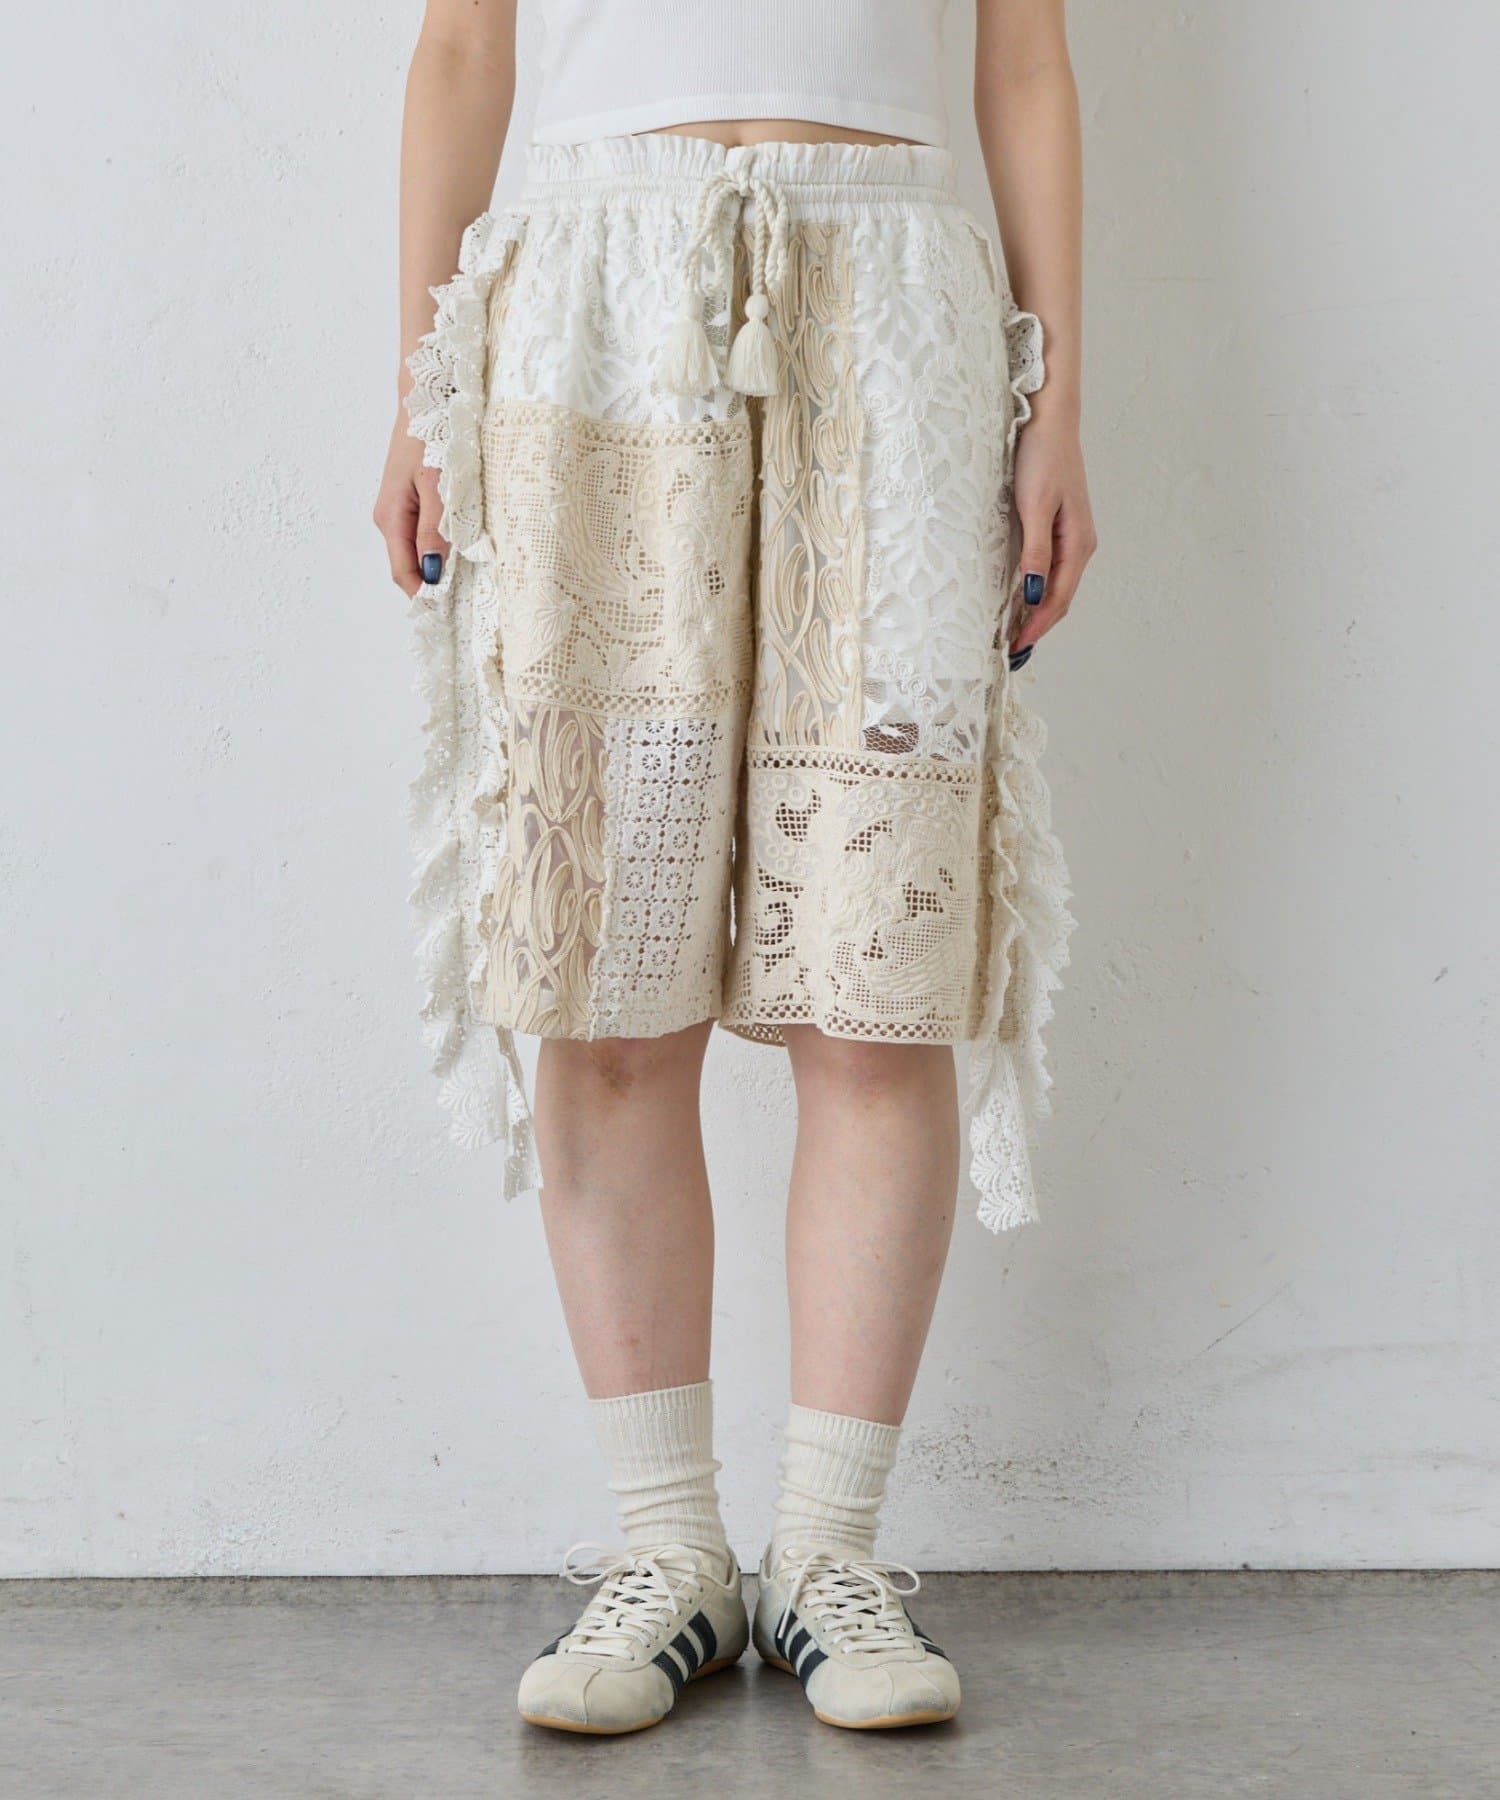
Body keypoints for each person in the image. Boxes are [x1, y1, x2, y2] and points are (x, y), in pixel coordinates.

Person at [373, 0, 1093, 1735]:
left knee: (877, 975)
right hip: (594, 296)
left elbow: (1023, 57)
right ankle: (668, 1549)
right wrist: (420, 389)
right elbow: (463, 49)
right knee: (603, 982)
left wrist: (1057, 400)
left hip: (900, 304)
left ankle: (832, 1554)